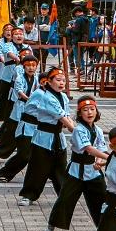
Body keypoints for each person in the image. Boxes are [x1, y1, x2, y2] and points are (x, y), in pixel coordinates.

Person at [43, 96, 109, 231]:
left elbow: (100, 149)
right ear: (80, 114)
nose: (89, 112)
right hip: (76, 171)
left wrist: (99, 160)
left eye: (92, 109)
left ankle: (104, 228)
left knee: (102, 199)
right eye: (85, 110)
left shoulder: (98, 130)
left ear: (97, 112)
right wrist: (109, 158)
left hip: (93, 171)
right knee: (65, 199)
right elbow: (89, 149)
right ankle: (50, 227)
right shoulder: (79, 130)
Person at [18, 68, 73, 207]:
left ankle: (64, 196)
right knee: (37, 168)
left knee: (60, 168)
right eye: (58, 80)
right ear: (49, 81)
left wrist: (78, 129)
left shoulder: (64, 97)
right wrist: (76, 130)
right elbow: (63, 118)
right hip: (43, 137)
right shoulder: (46, 97)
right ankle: (28, 195)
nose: (62, 83)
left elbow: (67, 117)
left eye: (63, 80)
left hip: (58, 138)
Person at [0, 54, 39, 163]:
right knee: (11, 133)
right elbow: (19, 92)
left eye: (33, 65)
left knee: (32, 133)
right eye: (28, 65)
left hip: (32, 110)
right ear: (23, 66)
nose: (31, 68)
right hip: (19, 108)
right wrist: (30, 100)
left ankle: (30, 156)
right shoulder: (20, 78)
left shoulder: (37, 79)